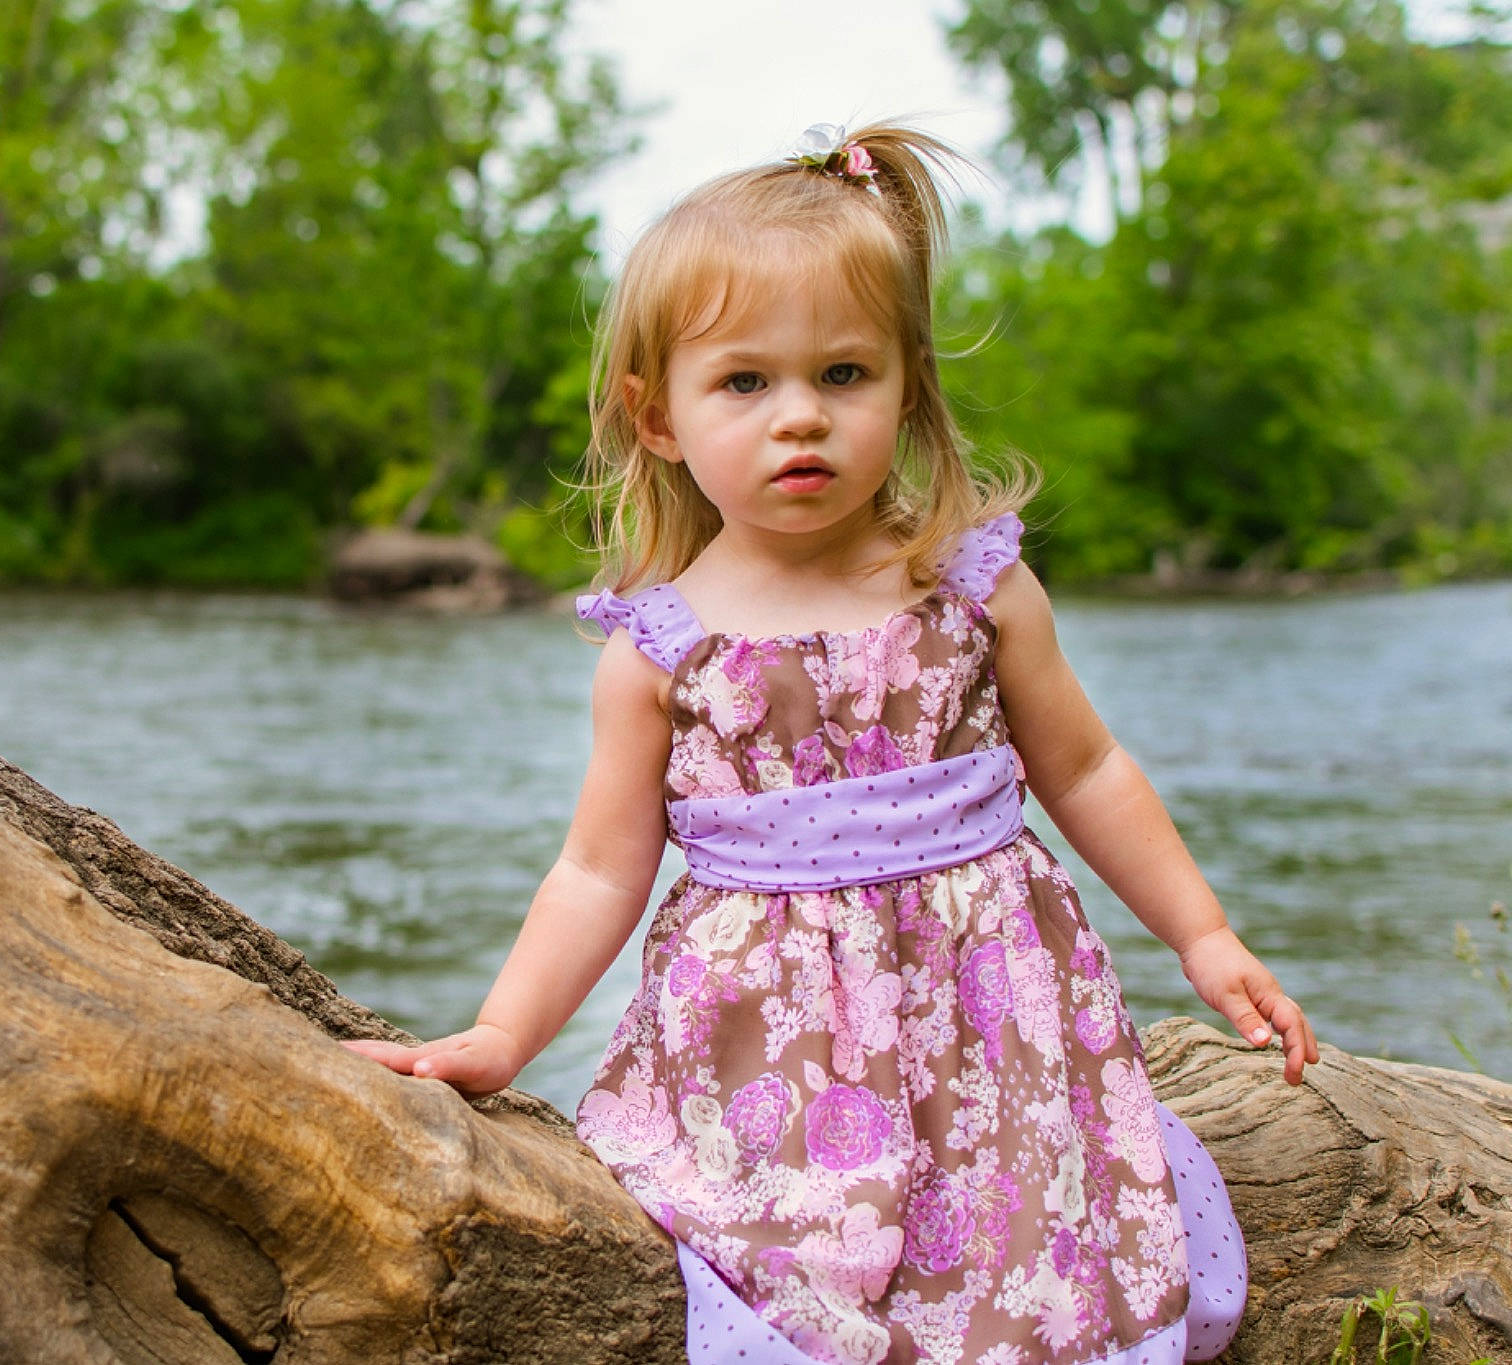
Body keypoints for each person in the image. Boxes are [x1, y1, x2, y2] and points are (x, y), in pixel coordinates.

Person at [342, 121, 1319, 1364]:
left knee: (1030, 1267)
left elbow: (1082, 770)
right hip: (774, 1051)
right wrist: (501, 1034)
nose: (797, 419)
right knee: (800, 1291)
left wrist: (1204, 932)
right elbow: (596, 869)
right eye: (743, 383)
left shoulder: (969, 588)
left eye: (842, 375)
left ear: (906, 383)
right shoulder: (660, 651)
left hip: (987, 1029)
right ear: (656, 417)